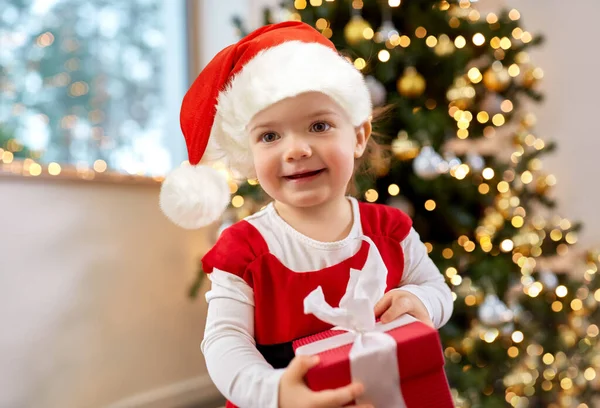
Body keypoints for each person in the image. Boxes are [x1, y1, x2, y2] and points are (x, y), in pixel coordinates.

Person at [159, 21, 453, 408]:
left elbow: (438, 290)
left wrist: (421, 301)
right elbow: (224, 342)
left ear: (359, 136)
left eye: (319, 126)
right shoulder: (244, 250)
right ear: (248, 153)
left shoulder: (389, 231)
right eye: (269, 136)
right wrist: (274, 390)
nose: (295, 150)